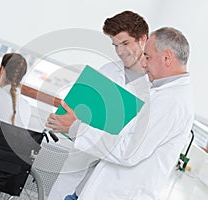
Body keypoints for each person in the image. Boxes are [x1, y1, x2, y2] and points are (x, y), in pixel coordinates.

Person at [46, 27, 194, 199]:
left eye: (148, 57)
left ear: (167, 58)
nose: (144, 64)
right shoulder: (161, 93)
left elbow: (128, 151)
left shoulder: (171, 102)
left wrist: (76, 127)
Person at [47, 10, 150, 200]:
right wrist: (62, 121)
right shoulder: (107, 72)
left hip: (111, 183)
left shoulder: (153, 88)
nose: (119, 51)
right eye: (115, 45)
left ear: (142, 39)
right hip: (79, 172)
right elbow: (79, 116)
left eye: (125, 43)